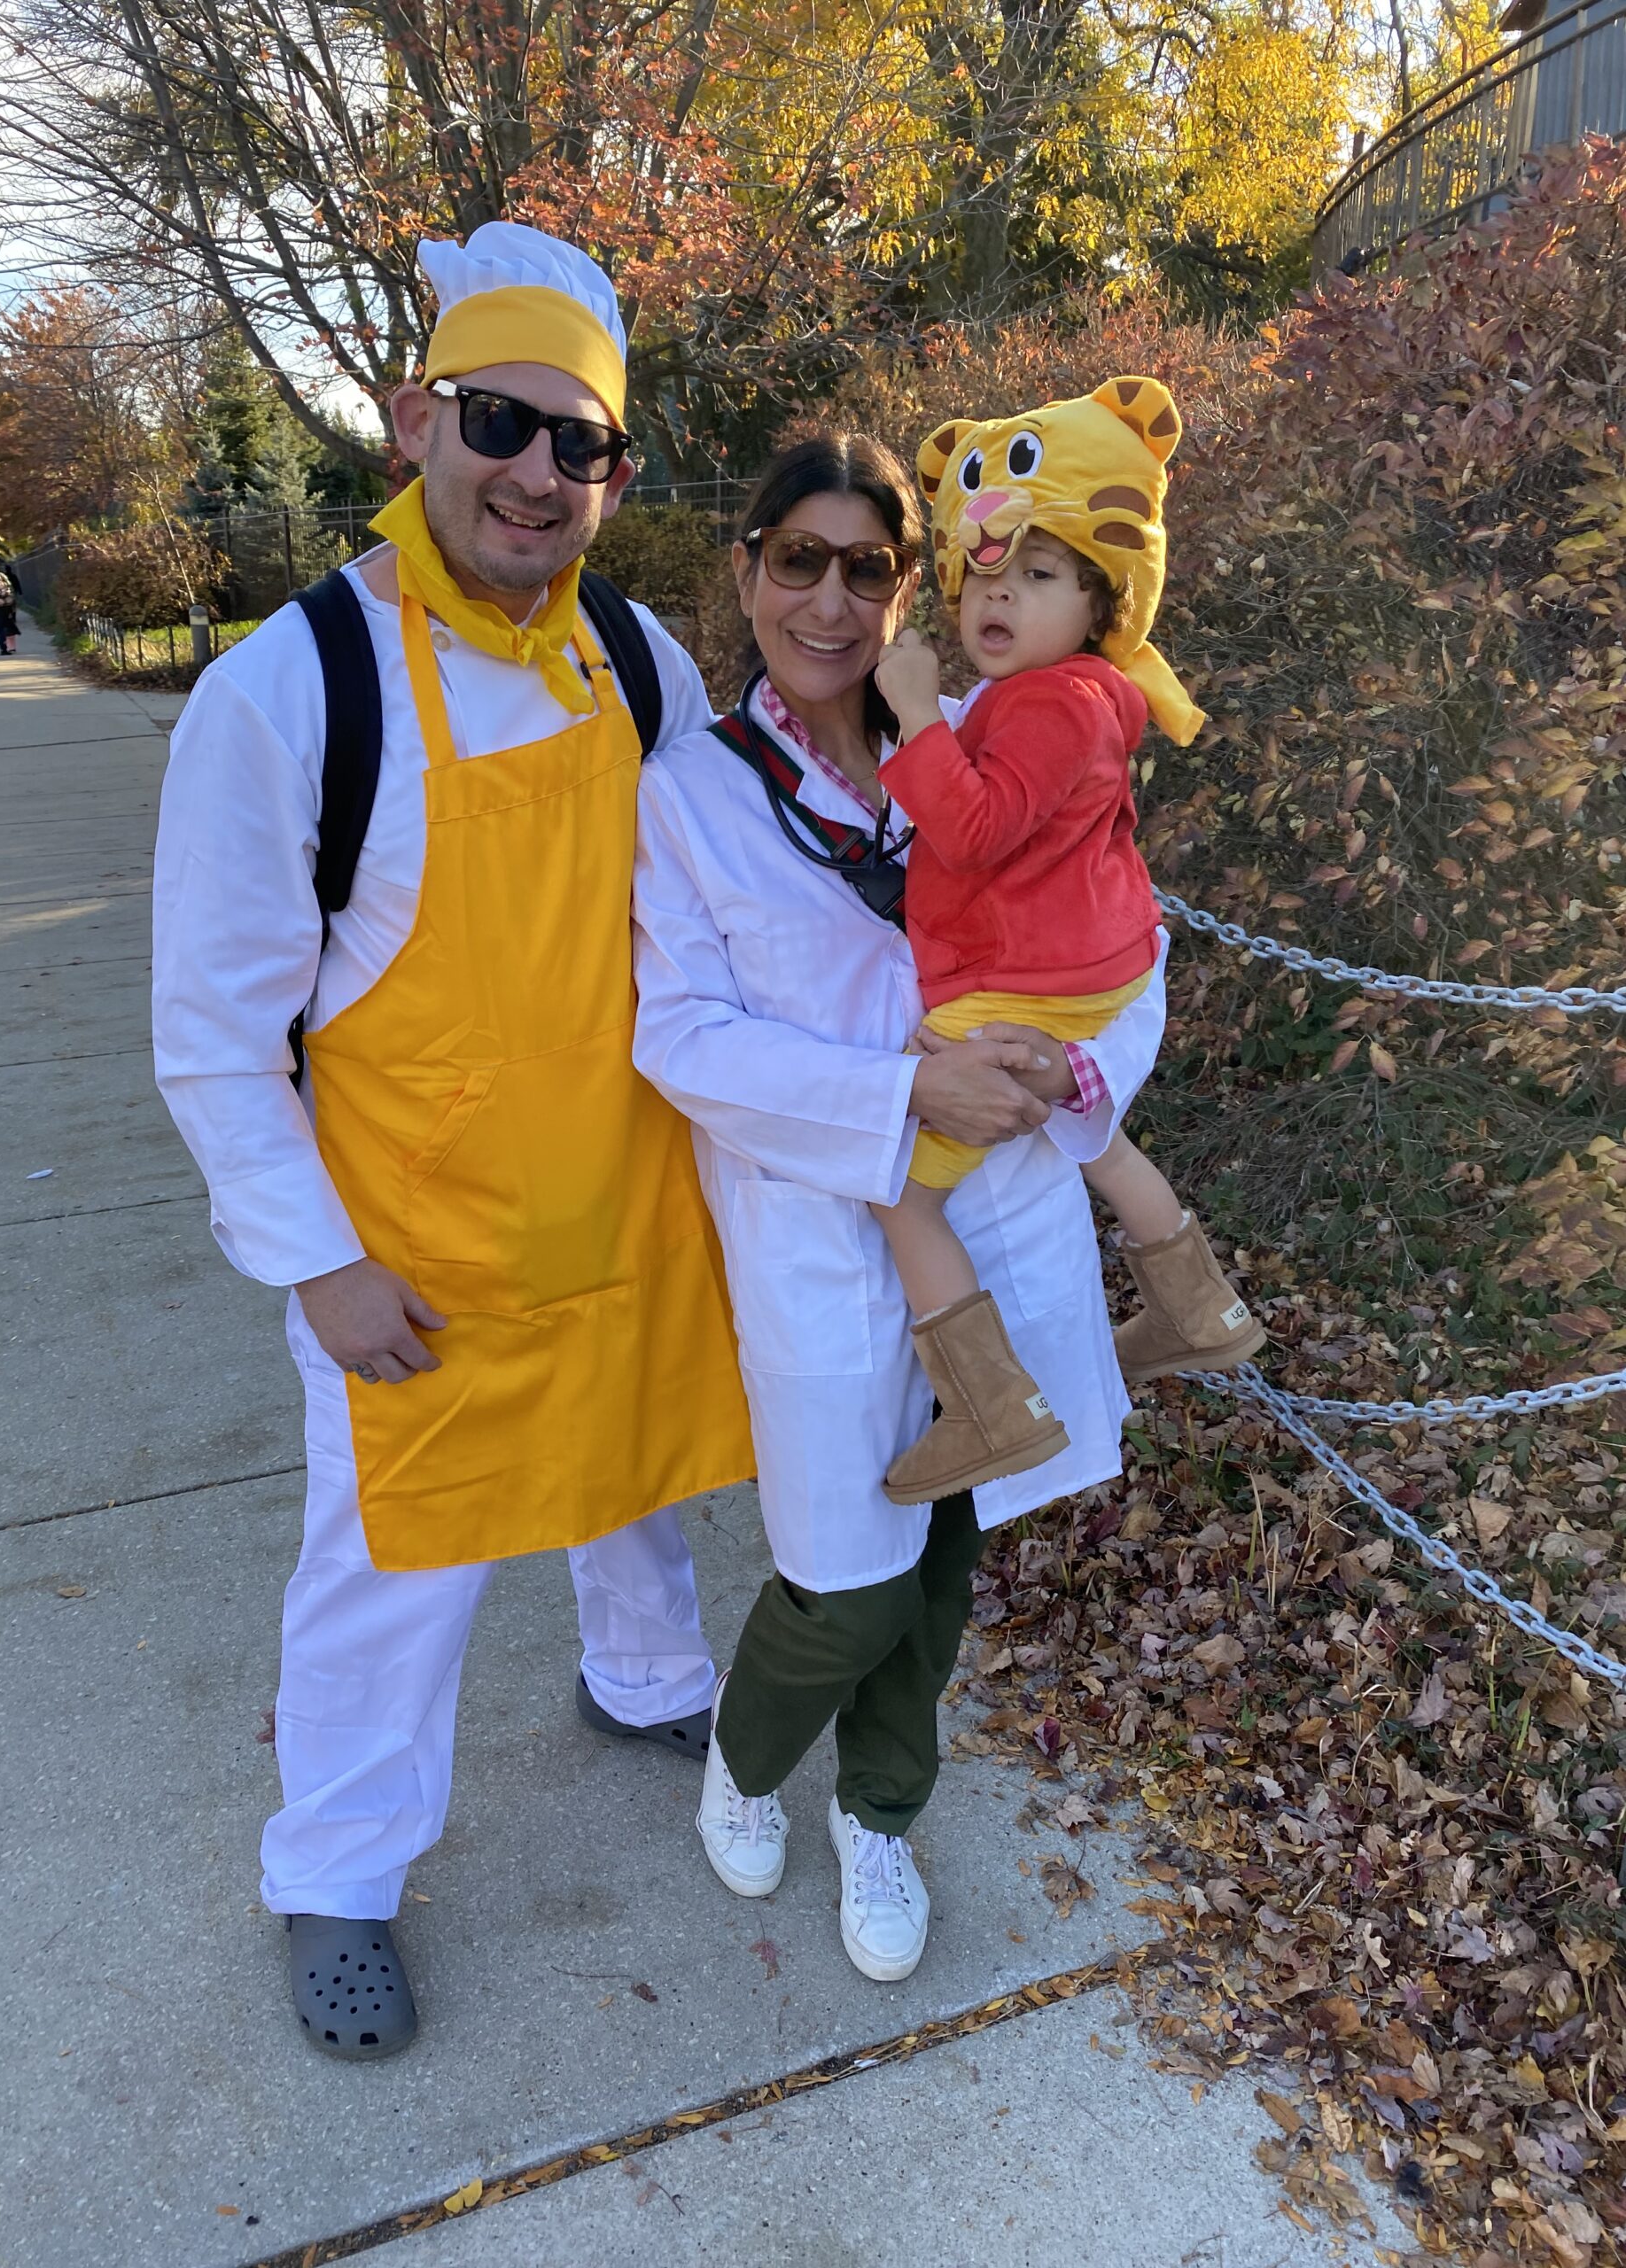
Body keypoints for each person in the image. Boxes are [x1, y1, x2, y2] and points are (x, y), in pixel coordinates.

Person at [153, 221, 752, 2061]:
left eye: (582, 443)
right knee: (392, 1570)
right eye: (501, 421)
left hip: (624, 1199)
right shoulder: (289, 691)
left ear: (615, 475)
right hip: (409, 1252)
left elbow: (730, 905)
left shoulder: (639, 660)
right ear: (416, 419)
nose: (536, 474)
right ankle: (337, 1868)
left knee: (635, 1466)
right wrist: (316, 1261)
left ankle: (643, 1676)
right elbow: (212, 1035)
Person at [631, 433, 1169, 1984]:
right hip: (819, 1225)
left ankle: (880, 1813)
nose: (829, 600)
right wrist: (901, 1100)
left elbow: (1121, 938)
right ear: (746, 569)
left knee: (943, 1566)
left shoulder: (1002, 734)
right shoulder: (689, 796)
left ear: (908, 585)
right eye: (797, 559)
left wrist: (1077, 1070)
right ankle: (746, 1758)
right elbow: (683, 1036)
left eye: (866, 568)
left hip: (998, 1204)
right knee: (843, 1580)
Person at [867, 379, 1265, 1503]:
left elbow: (974, 827)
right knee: (1091, 1130)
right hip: (1085, 968)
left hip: (1024, 977)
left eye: (1041, 575)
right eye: (985, 571)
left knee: (895, 1184)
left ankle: (990, 1406)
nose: (1001, 592)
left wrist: (912, 710)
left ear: (1099, 601)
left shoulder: (1053, 701)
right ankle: (1200, 1306)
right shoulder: (1069, 695)